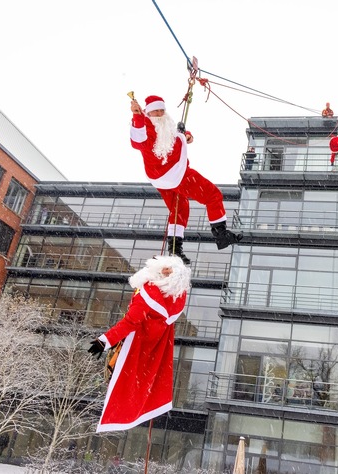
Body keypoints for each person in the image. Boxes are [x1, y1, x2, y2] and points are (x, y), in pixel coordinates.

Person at [129, 95, 242, 264]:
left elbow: (174, 139)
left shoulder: (165, 126)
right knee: (212, 195)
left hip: (160, 178)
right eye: (155, 111)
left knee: (180, 209)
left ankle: (175, 250)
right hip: (175, 174)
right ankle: (221, 234)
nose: (159, 113)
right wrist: (137, 115)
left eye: (161, 110)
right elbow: (137, 141)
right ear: (148, 112)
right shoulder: (146, 126)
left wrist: (185, 135)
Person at [88, 255, 191, 432]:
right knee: (136, 384)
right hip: (152, 347)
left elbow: (130, 322)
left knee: (122, 382)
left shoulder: (148, 295)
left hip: (136, 345)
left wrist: (102, 342)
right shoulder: (176, 297)